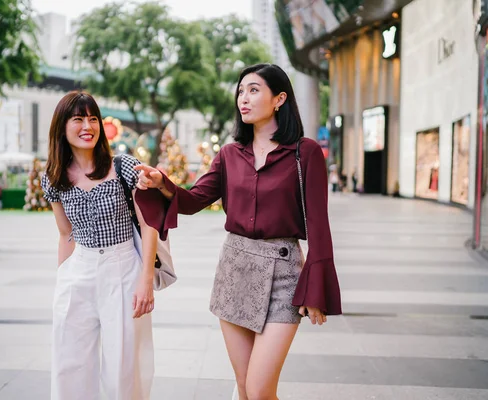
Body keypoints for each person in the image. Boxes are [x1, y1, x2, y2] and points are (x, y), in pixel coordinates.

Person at [134, 64, 342, 400]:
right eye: (241, 91)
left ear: (279, 99)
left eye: (254, 90)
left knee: (260, 390)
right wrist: (163, 184)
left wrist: (317, 286)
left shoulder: (306, 153)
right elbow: (193, 200)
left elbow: (319, 222)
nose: (243, 98)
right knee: (245, 388)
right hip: (235, 269)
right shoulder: (230, 154)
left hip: (284, 273)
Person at [41, 91, 158, 400]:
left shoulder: (123, 167)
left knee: (124, 366)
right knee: (70, 363)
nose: (87, 126)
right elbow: (65, 233)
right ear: (62, 127)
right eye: (78, 119)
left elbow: (149, 226)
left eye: (93, 118)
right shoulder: (53, 177)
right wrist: (63, 281)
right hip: (78, 270)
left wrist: (145, 281)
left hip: (122, 269)